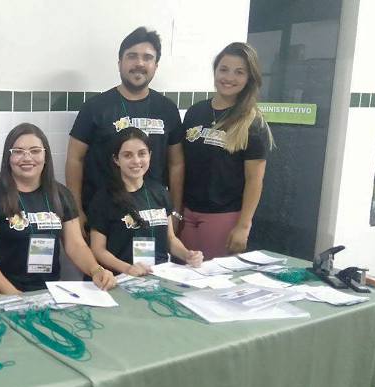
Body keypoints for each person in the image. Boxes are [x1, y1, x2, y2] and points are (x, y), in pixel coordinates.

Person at [0, 123, 116, 295]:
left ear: (45, 156)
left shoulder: (61, 195)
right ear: (8, 157)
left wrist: (96, 270)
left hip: (48, 292)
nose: (27, 157)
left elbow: (76, 245)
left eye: (35, 151)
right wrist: (15, 295)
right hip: (2, 292)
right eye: (18, 151)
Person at [66, 27, 184, 238]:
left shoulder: (167, 109)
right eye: (132, 56)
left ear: (156, 66)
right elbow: (75, 159)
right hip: (103, 219)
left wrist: (174, 211)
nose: (139, 63)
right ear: (120, 63)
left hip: (154, 217)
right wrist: (77, 211)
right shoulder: (95, 108)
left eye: (147, 57)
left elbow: (176, 164)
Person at [178, 42, 273, 259]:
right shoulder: (195, 112)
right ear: (215, 71)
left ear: (249, 78)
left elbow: (255, 180)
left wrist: (244, 226)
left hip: (223, 216)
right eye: (224, 69)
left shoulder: (252, 122)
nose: (229, 77)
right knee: (180, 273)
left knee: (210, 276)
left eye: (239, 72)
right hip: (186, 213)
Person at [89, 128, 203, 275]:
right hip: (124, 277)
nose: (136, 161)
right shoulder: (103, 199)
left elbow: (170, 239)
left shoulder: (160, 193)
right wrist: (127, 269)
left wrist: (187, 255)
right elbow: (98, 250)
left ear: (150, 155)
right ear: (116, 159)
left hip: (159, 274)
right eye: (127, 155)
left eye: (142, 153)